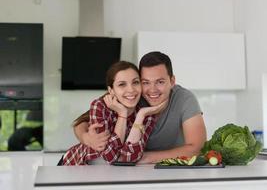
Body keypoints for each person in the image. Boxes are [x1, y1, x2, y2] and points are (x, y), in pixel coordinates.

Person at [74, 52, 207, 163]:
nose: (152, 90)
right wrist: (86, 137)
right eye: (145, 82)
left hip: (157, 168)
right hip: (119, 168)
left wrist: (144, 158)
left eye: (160, 82)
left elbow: (196, 147)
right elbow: (81, 122)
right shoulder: (132, 96)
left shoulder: (185, 99)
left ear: (172, 81)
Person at [61, 61, 165, 165]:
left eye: (135, 82)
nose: (131, 89)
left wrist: (140, 116)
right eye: (122, 84)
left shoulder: (146, 114)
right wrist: (122, 115)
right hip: (74, 166)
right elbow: (110, 156)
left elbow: (130, 158)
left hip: (109, 173)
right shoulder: (100, 106)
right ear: (111, 90)